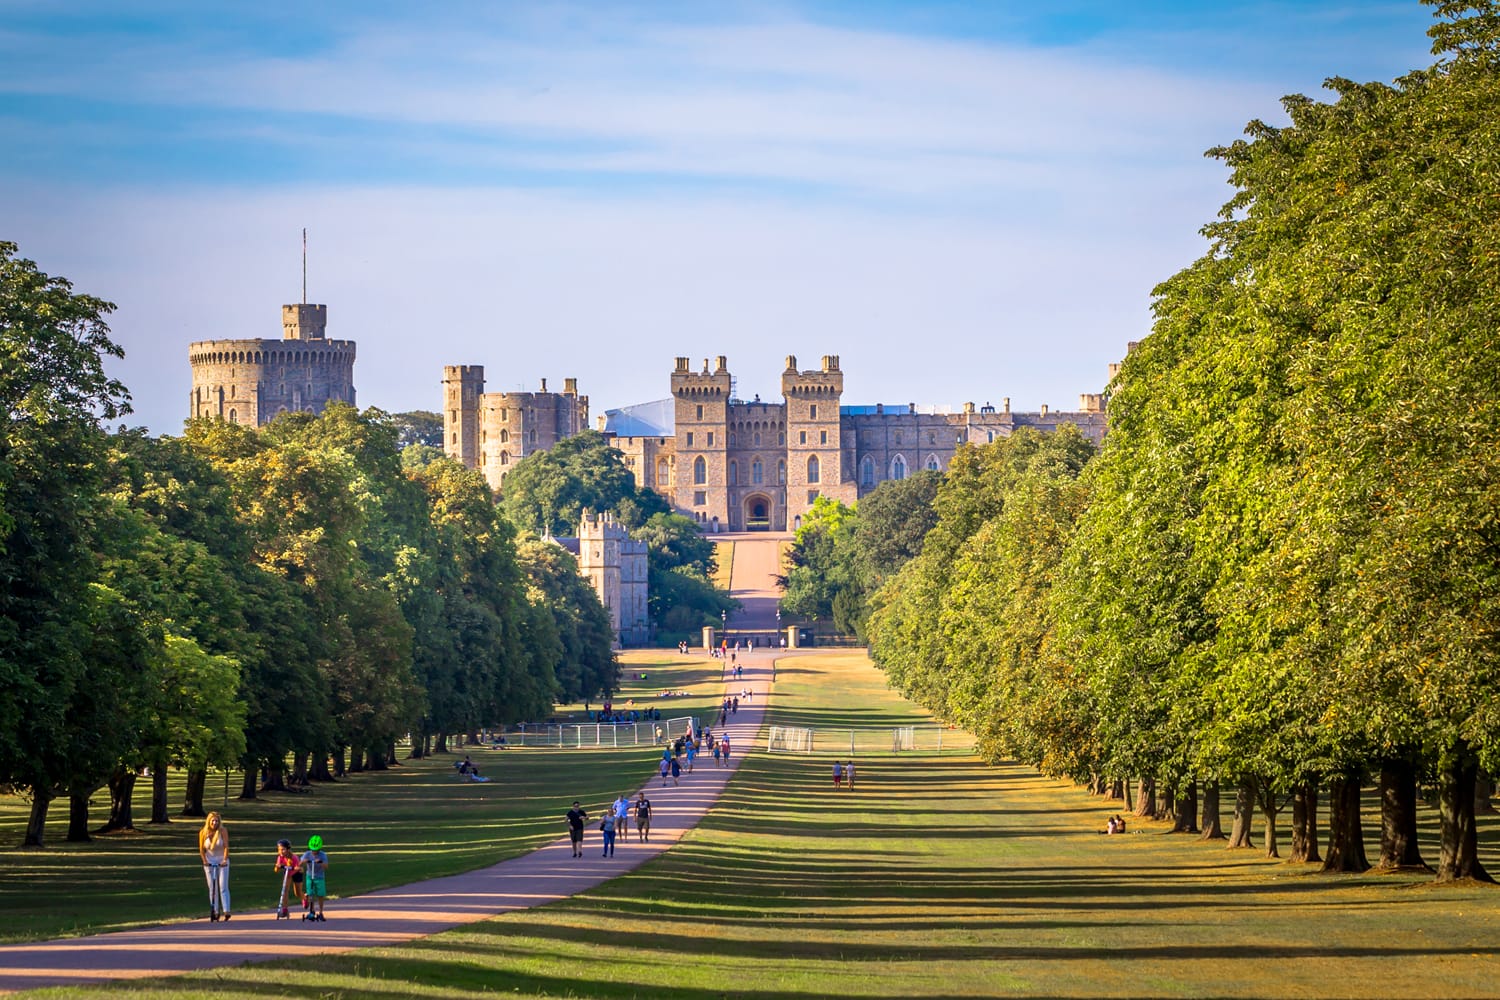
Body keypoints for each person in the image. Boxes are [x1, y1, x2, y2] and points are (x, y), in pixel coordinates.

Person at [198, 811, 231, 921]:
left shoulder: (223, 831)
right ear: (209, 821)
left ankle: (226, 910)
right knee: (212, 887)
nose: (215, 823)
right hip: (209, 861)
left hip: (221, 860)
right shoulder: (203, 832)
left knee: (222, 886)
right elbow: (202, 850)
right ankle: (215, 911)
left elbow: (226, 847)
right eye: (213, 820)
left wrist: (225, 859)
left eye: (216, 820)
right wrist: (204, 861)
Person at [300, 835, 329, 922]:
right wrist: (303, 861)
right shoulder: (307, 854)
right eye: (312, 850)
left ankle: (320, 912)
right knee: (310, 893)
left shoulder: (323, 855)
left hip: (319, 877)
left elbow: (326, 866)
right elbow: (299, 863)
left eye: (316, 850)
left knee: (320, 895)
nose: (314, 852)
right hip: (310, 876)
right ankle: (311, 910)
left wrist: (320, 862)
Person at [274, 838, 303, 917]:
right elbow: (276, 869)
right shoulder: (280, 857)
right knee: (285, 891)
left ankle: (304, 898)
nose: (280, 852)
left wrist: (296, 868)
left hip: (296, 873)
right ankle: (285, 909)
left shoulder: (294, 857)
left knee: (297, 893)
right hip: (287, 873)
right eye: (279, 849)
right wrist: (278, 867)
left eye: (283, 849)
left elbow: (298, 867)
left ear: (288, 849)